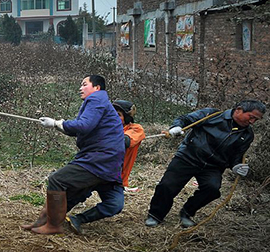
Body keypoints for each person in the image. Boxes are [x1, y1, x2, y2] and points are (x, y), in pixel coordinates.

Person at [25, 75, 124, 235]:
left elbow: (84, 126)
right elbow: (82, 128)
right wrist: (57, 125)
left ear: (97, 88)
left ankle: (53, 225)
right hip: (107, 163)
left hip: (100, 160)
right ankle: (43, 220)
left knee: (57, 180)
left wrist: (57, 123)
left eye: (84, 84)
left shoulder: (96, 99)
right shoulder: (100, 103)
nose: (80, 88)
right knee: (75, 190)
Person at [145, 99, 265, 228]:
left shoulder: (247, 135)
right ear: (239, 110)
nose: (252, 122)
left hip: (213, 167)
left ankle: (187, 212)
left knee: (212, 189)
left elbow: (236, 157)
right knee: (167, 186)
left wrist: (237, 166)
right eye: (251, 117)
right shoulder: (212, 115)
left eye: (256, 120)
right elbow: (185, 119)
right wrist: (176, 127)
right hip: (188, 157)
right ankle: (155, 215)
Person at [65, 99, 145, 234]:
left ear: (127, 118)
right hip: (93, 171)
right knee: (76, 194)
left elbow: (124, 141)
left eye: (118, 115)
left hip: (113, 179)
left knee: (115, 205)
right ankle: (52, 217)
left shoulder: (135, 129)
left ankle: (78, 219)